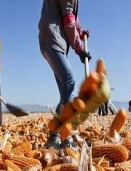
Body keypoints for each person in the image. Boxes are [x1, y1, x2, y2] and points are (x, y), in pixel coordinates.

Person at [39, 0, 91, 149]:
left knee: (65, 90)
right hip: (51, 39)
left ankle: (55, 137)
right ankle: (61, 135)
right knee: (69, 81)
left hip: (55, 41)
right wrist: (79, 49)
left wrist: (80, 32)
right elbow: (68, 20)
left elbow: (72, 15)